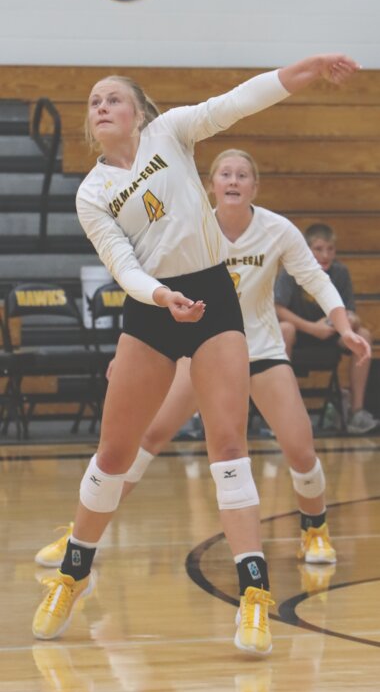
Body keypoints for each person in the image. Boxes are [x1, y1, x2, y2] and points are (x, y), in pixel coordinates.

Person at [32, 55, 361, 655]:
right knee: (114, 449)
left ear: (138, 111)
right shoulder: (92, 192)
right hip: (154, 307)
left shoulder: (172, 132)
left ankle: (253, 594)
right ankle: (73, 572)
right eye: (93, 103)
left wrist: (306, 71)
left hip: (212, 298)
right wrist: (159, 296)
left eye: (112, 98)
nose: (101, 107)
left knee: (228, 447)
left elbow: (241, 99)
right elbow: (121, 263)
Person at [275, 223, 379, 435]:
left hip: (330, 333)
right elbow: (277, 308)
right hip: (300, 332)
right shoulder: (290, 271)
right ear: (307, 249)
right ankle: (283, 412)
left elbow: (349, 312)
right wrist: (312, 328)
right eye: (319, 249)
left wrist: (351, 321)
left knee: (364, 334)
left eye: (330, 249)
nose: (325, 255)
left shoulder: (340, 272)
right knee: (285, 329)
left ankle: (356, 411)